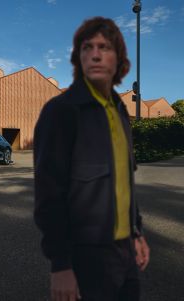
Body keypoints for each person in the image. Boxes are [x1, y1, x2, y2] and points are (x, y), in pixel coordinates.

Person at [34, 17, 150, 301]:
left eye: (104, 47)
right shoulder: (61, 111)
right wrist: (60, 264)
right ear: (79, 57)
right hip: (87, 256)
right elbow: (49, 192)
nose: (95, 54)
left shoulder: (121, 112)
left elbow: (125, 181)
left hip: (126, 252)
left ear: (118, 58)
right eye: (87, 47)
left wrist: (136, 231)